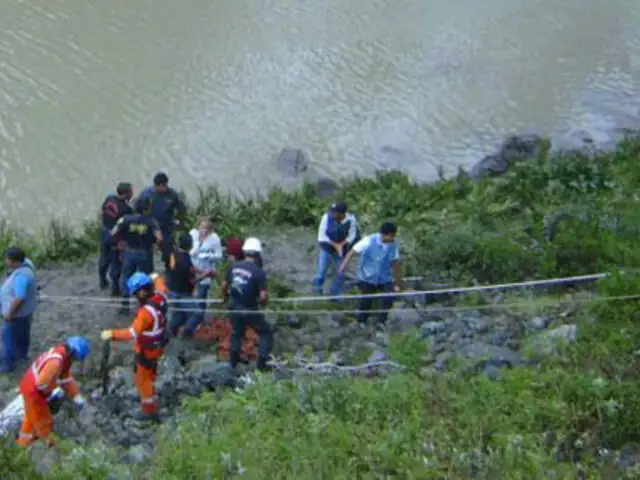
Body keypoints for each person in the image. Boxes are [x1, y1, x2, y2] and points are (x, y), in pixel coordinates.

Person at [100, 273, 168, 423]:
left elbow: (132, 332)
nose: (136, 297)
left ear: (142, 291)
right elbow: (161, 284)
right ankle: (152, 394)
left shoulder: (145, 313)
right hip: (158, 346)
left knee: (142, 380)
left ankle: (149, 410)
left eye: (136, 293)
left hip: (147, 350)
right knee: (150, 373)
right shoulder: (161, 297)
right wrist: (155, 277)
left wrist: (112, 333)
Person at [15, 336, 90, 448]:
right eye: (76, 358)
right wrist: (54, 387)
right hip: (34, 394)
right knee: (44, 420)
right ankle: (47, 446)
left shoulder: (60, 354)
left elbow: (65, 377)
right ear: (73, 353)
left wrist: (76, 395)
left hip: (28, 387)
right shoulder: (55, 363)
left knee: (31, 417)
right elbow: (42, 384)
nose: (75, 361)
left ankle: (21, 443)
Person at [221, 237, 273, 372]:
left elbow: (224, 285)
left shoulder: (234, 267)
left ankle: (233, 361)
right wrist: (263, 304)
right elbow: (263, 296)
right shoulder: (258, 272)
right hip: (250, 308)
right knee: (265, 332)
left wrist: (225, 297)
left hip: (234, 306)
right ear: (258, 254)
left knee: (237, 332)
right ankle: (262, 363)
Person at [338, 222, 403, 327]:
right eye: (392, 236)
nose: (393, 238)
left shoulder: (394, 245)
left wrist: (397, 281)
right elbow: (352, 252)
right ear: (386, 234)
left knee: (388, 297)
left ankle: (381, 321)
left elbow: (396, 262)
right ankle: (361, 321)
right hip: (367, 276)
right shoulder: (369, 240)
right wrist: (343, 266)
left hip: (384, 277)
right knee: (366, 299)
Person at [110, 197, 162, 315]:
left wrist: (119, 243)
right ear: (147, 208)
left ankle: (125, 305)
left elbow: (113, 232)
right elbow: (159, 238)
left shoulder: (125, 219)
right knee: (146, 279)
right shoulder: (151, 221)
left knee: (126, 278)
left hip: (129, 251)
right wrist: (155, 246)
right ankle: (144, 305)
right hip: (145, 252)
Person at [136, 172, 186, 268]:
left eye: (166, 185)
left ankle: (170, 268)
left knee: (168, 250)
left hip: (166, 227)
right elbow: (138, 208)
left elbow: (181, 208)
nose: (165, 188)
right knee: (146, 249)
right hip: (149, 227)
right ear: (156, 186)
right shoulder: (146, 194)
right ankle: (148, 269)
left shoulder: (172, 194)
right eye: (162, 186)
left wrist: (180, 222)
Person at [1, 247, 38, 373]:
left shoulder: (21, 276)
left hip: (16, 314)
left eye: (7, 259)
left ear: (14, 261)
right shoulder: (27, 264)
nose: (6, 261)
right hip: (26, 312)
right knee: (23, 334)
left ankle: (8, 365)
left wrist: (9, 313)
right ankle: (22, 355)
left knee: (8, 338)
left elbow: (20, 297)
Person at [166, 233, 207, 337]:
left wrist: (200, 271)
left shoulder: (174, 254)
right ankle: (186, 332)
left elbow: (190, 268)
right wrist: (205, 275)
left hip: (172, 289)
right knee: (197, 313)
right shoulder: (185, 261)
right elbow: (192, 281)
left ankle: (170, 333)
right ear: (190, 245)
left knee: (179, 315)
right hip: (182, 293)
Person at [313, 202, 358, 296]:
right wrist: (336, 245)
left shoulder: (351, 219)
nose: (332, 214)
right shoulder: (326, 217)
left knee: (340, 274)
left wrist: (341, 244)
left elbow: (352, 235)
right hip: (327, 249)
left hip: (342, 251)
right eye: (332, 212)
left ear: (342, 214)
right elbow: (321, 236)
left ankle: (334, 295)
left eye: (335, 213)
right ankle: (317, 293)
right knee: (321, 272)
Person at [187, 218, 221, 336]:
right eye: (202, 228)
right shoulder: (193, 235)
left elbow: (219, 255)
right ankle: (191, 318)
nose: (204, 231)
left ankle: (199, 321)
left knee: (201, 295)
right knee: (190, 294)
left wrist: (207, 255)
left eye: (206, 229)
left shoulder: (215, 239)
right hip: (193, 269)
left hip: (206, 270)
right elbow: (187, 248)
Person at [98, 182, 133, 294]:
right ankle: (115, 288)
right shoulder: (126, 209)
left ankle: (102, 280)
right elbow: (125, 227)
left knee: (104, 257)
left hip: (104, 232)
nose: (132, 193)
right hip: (115, 237)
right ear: (126, 193)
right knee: (116, 262)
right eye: (131, 191)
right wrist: (123, 241)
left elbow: (102, 211)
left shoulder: (109, 198)